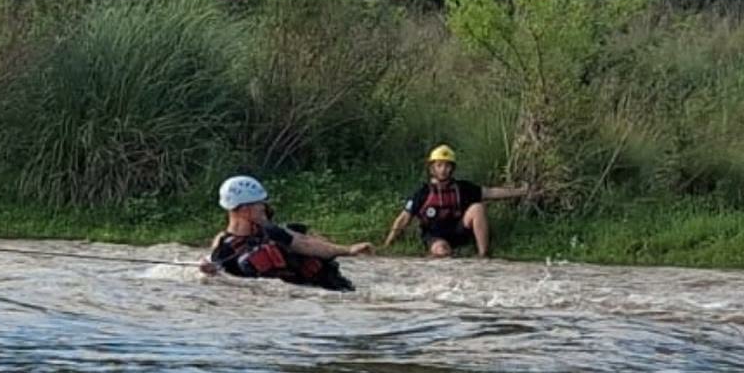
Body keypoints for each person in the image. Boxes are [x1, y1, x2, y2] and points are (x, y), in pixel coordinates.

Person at [199, 175, 373, 291]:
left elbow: (305, 243)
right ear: (244, 209)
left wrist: (348, 250)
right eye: (259, 204)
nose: (264, 207)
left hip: (332, 289)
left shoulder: (275, 232)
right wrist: (209, 269)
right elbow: (218, 271)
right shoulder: (224, 246)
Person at [383, 145, 530, 258]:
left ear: (452, 168)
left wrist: (521, 192)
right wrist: (388, 244)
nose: (443, 170)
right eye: (439, 165)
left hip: (458, 231)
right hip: (434, 235)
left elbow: (490, 192)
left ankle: (483, 255)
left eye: (447, 166)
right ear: (432, 168)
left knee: (478, 208)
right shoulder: (423, 193)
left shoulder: (462, 187)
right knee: (441, 250)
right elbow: (403, 219)